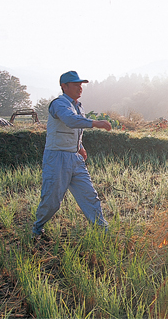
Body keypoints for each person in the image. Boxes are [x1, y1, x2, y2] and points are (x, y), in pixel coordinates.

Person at [32, 70, 112, 238]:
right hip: (57, 157)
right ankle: (37, 229)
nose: (80, 88)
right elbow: (70, 120)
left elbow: (75, 130)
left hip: (75, 158)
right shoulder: (59, 104)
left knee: (90, 196)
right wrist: (96, 123)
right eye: (76, 85)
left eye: (81, 85)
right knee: (52, 201)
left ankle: (102, 231)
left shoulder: (78, 106)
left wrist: (80, 147)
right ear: (64, 86)